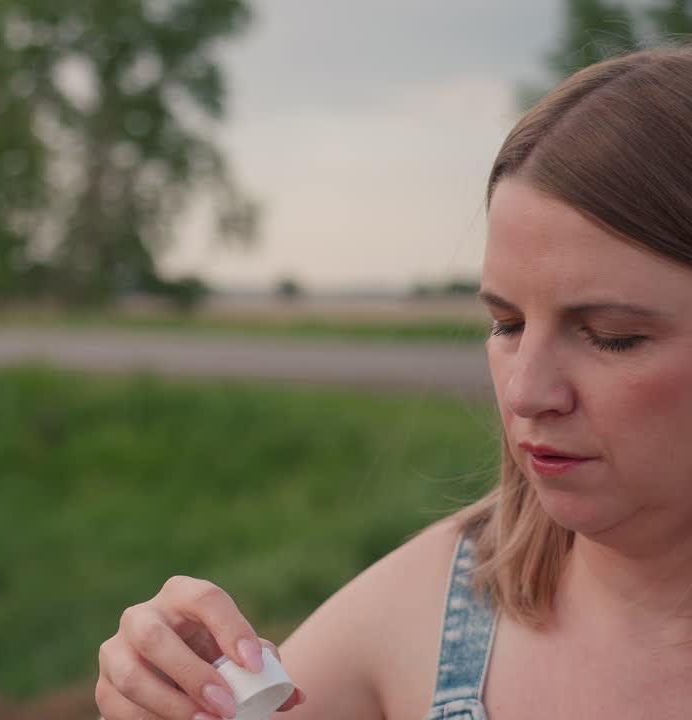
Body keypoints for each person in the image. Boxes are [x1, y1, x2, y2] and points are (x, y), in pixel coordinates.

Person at [95, 45, 692, 720]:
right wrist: (166, 692)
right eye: (506, 324)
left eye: (612, 334)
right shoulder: (432, 611)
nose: (525, 393)